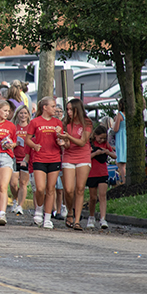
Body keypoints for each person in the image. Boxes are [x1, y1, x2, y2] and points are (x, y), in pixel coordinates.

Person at [25, 97, 63, 228]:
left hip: (54, 158)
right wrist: (34, 146)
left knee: (51, 189)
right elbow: (28, 139)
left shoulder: (58, 122)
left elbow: (62, 140)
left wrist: (61, 138)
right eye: (52, 106)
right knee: (40, 188)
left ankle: (47, 217)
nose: (55, 109)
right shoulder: (35, 122)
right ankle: (39, 209)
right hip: (39, 158)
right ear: (45, 107)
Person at [59, 98, 93, 231]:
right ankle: (70, 211)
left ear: (77, 110)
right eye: (67, 109)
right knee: (68, 189)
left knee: (80, 189)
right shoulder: (66, 123)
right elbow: (68, 144)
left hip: (83, 157)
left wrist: (68, 137)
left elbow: (82, 142)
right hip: (69, 156)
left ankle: (77, 220)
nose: (68, 112)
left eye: (71, 110)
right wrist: (64, 142)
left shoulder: (87, 122)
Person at [86, 126, 113, 229]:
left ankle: (103, 218)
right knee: (93, 197)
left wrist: (107, 152)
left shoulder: (105, 144)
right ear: (95, 135)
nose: (101, 140)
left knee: (102, 195)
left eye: (104, 138)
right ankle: (91, 216)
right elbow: (86, 157)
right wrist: (95, 153)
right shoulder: (90, 143)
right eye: (100, 138)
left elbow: (114, 155)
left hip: (103, 172)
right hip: (92, 172)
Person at [9, 104, 32, 217]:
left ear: (28, 115)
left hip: (25, 157)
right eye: (21, 113)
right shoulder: (13, 127)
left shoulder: (31, 127)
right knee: (13, 183)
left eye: (25, 113)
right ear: (17, 114)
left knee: (23, 182)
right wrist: (14, 143)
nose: (23, 115)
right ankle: (15, 199)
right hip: (14, 157)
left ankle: (20, 206)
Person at [111, 99, 128, 185]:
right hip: (126, 137)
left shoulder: (120, 114)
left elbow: (115, 129)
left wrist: (115, 121)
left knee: (121, 164)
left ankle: (124, 182)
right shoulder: (128, 115)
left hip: (120, 138)